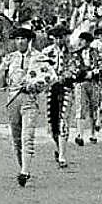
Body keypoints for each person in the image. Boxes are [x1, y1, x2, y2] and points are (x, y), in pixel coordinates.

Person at [0, 26, 52, 187]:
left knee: (28, 137)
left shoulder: (39, 57)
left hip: (29, 100)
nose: (20, 42)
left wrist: (36, 87)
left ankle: (25, 171)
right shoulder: (11, 57)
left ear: (29, 40)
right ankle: (23, 167)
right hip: (12, 100)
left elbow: (49, 77)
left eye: (23, 39)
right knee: (16, 139)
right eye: (17, 39)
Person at [41, 24, 87, 168]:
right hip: (50, 89)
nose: (59, 40)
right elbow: (40, 70)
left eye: (62, 37)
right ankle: (59, 147)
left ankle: (62, 155)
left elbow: (79, 70)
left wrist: (68, 76)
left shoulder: (73, 52)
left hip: (67, 88)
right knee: (52, 123)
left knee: (63, 120)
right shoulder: (46, 52)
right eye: (56, 38)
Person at [74, 31, 102, 146]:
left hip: (93, 82)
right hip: (81, 82)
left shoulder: (95, 53)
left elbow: (101, 66)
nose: (80, 42)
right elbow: (74, 68)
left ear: (88, 42)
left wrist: (93, 73)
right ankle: (80, 134)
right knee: (80, 107)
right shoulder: (75, 54)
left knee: (93, 107)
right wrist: (86, 73)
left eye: (82, 40)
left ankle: (92, 133)